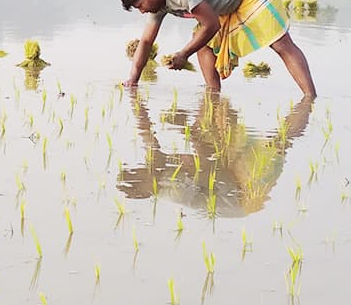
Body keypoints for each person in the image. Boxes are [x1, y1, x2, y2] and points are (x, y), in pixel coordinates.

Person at [120, 0, 316, 97]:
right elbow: (146, 42)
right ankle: (213, 96)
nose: (142, 11)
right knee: (203, 44)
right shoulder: (158, 4)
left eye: (140, 6)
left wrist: (183, 54)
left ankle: (310, 98)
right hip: (225, 2)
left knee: (279, 42)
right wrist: (133, 80)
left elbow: (211, 24)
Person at [120, 90, 313, 216]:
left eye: (136, 169)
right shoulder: (174, 189)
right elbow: (210, 162)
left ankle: (306, 104)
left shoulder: (156, 171)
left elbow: (147, 134)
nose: (140, 168)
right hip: (242, 193)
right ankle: (308, 104)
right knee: (281, 142)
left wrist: (135, 99)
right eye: (137, 173)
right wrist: (184, 127)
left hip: (225, 178)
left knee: (212, 123)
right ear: (146, 190)